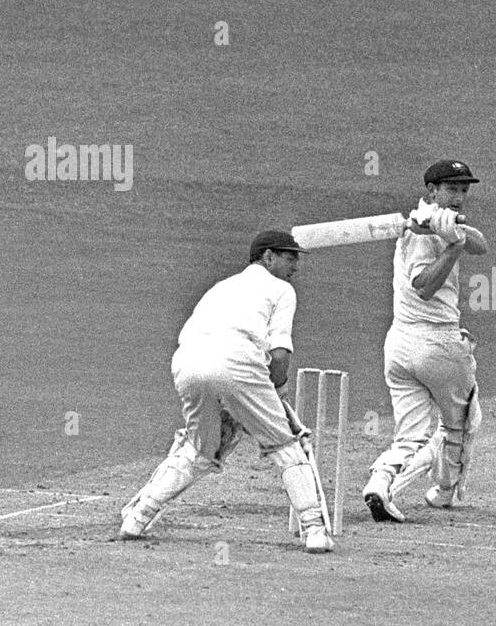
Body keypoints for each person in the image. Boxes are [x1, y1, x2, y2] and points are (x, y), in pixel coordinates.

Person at [118, 230, 334, 553]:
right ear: (268, 257)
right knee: (286, 444)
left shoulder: (221, 286)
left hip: (187, 363)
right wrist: (278, 392)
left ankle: (137, 516)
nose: (296, 266)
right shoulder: (281, 290)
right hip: (237, 361)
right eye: (290, 257)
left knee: (199, 449)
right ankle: (315, 530)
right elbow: (279, 357)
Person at [362, 160, 489, 523]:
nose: (460, 196)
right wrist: (450, 247)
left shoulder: (439, 223)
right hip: (437, 344)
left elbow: (481, 246)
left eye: (464, 190)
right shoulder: (421, 232)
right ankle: (438, 490)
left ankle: (382, 481)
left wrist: (456, 233)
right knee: (461, 424)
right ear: (431, 190)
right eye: (452, 189)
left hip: (400, 347)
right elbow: (424, 287)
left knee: (411, 436)